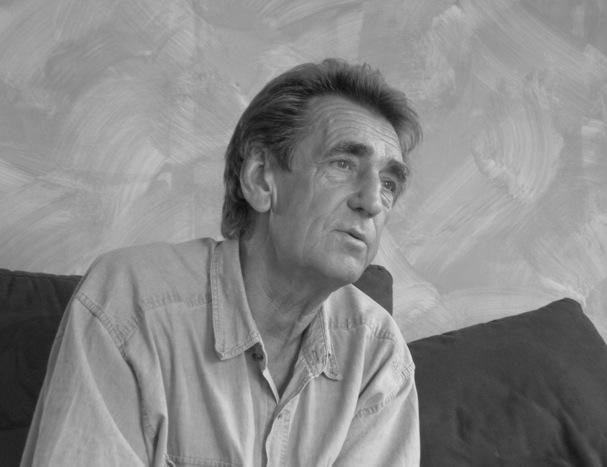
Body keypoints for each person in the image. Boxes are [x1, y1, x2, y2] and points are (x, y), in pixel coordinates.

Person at [21, 58, 422, 466]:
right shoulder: (129, 304)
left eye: (389, 183)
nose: (372, 202)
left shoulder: (378, 354)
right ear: (261, 179)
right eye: (343, 164)